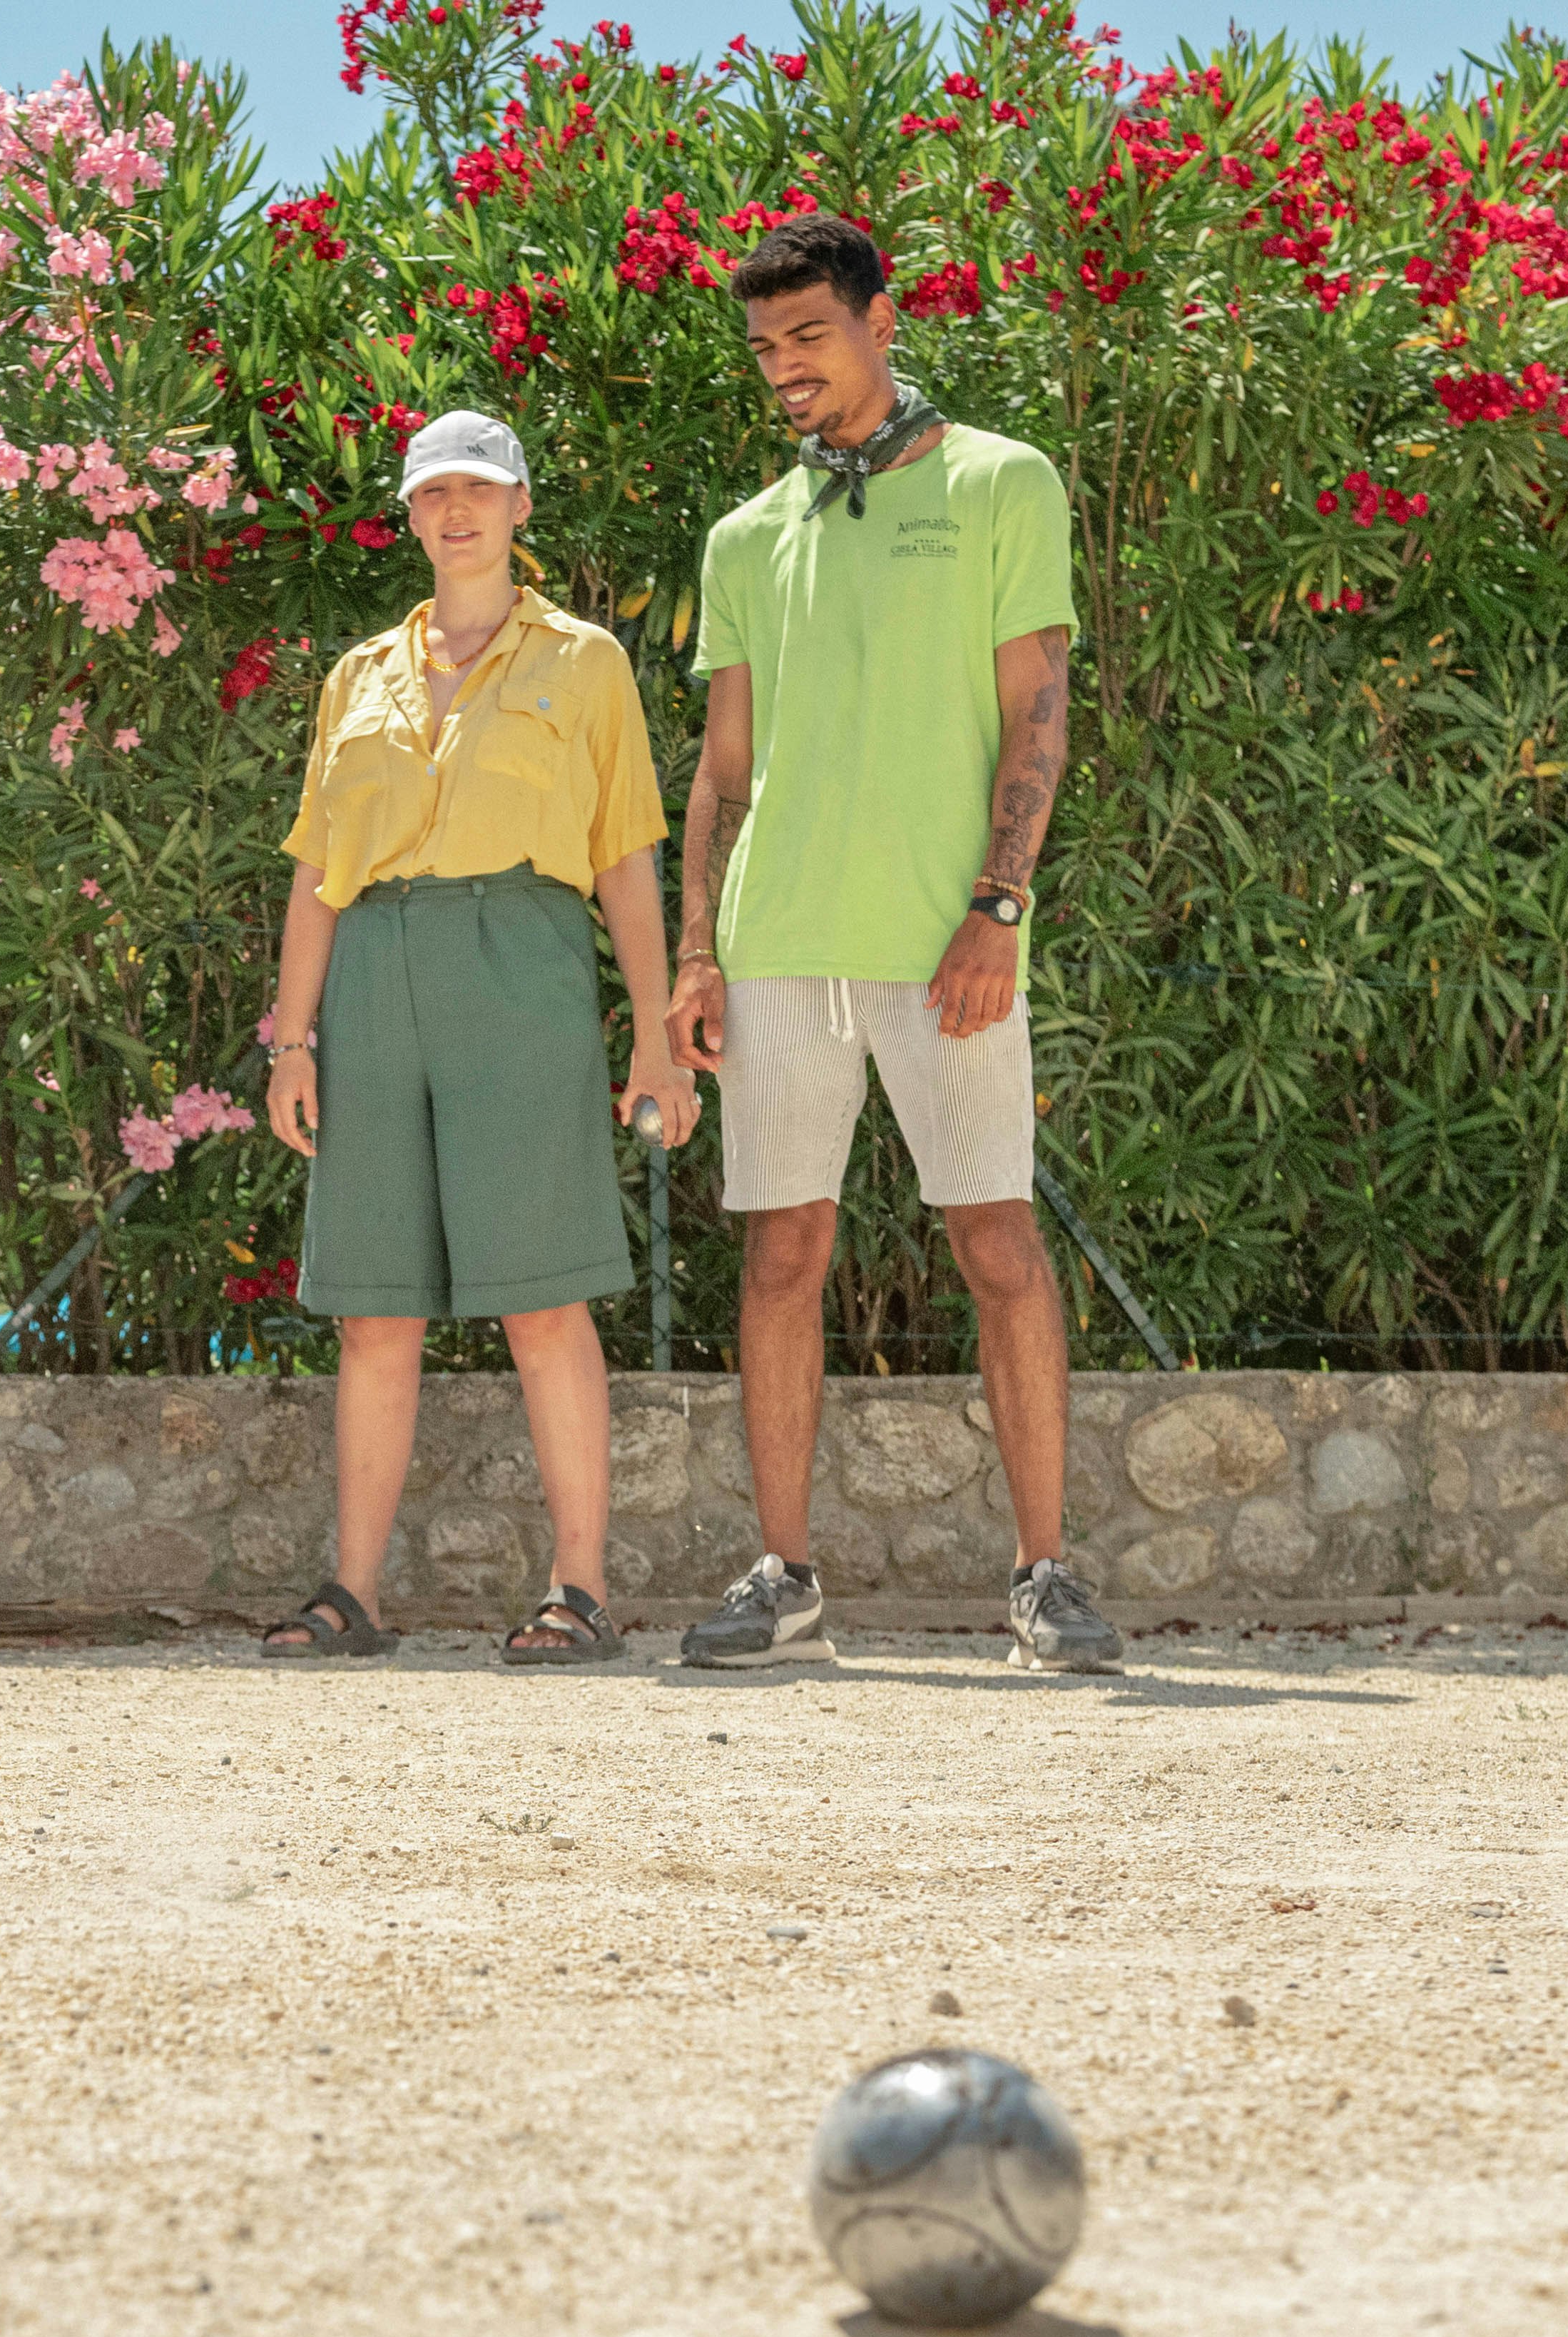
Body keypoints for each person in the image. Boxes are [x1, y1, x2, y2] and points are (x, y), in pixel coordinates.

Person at [667, 216, 1124, 1674]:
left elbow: (1036, 711)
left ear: (877, 320)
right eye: (762, 349)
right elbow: (722, 768)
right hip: (777, 946)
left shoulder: (1002, 481)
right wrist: (693, 956)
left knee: (997, 1242)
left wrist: (999, 908)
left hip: (949, 946)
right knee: (781, 1255)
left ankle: (1046, 1577)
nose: (784, 367)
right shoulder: (748, 533)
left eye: (807, 334)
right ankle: (785, 1578)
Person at [256, 409, 701, 1666]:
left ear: (518, 509)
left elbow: (624, 857)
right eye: (432, 493)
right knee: (371, 1309)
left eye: (479, 489)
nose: (454, 511)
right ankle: (351, 1594)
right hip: (373, 972)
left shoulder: (587, 662)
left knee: (543, 1296)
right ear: (409, 514)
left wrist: (655, 1039)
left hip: (522, 961)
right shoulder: (357, 675)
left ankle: (579, 1588)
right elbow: (314, 874)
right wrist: (293, 1040)